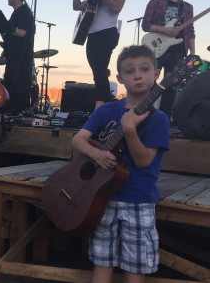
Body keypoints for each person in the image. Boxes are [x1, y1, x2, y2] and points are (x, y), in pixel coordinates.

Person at [71, 45, 170, 283]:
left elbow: (144, 160)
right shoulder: (106, 110)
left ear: (156, 74)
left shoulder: (159, 119)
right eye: (130, 71)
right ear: (119, 78)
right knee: (102, 261)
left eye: (145, 69)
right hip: (101, 199)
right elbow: (78, 140)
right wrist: (96, 155)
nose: (138, 75)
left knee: (135, 268)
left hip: (138, 200)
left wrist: (129, 129)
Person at [73, 0, 127, 109]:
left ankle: (100, 106)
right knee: (98, 71)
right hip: (92, 34)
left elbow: (117, 7)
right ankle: (104, 103)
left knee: (100, 70)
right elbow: (77, 6)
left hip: (107, 32)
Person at [142, 0, 195, 117]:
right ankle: (145, 116)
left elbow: (190, 30)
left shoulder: (187, 7)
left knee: (172, 87)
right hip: (156, 49)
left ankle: (163, 119)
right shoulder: (155, 2)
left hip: (178, 51)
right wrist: (165, 30)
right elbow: (146, 25)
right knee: (150, 84)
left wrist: (193, 53)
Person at [1, 0, 35, 113]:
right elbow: (9, 35)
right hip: (13, 53)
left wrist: (5, 26)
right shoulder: (15, 13)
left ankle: (19, 110)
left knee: (19, 82)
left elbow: (21, 33)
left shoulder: (24, 12)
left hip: (21, 55)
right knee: (10, 81)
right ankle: (10, 109)